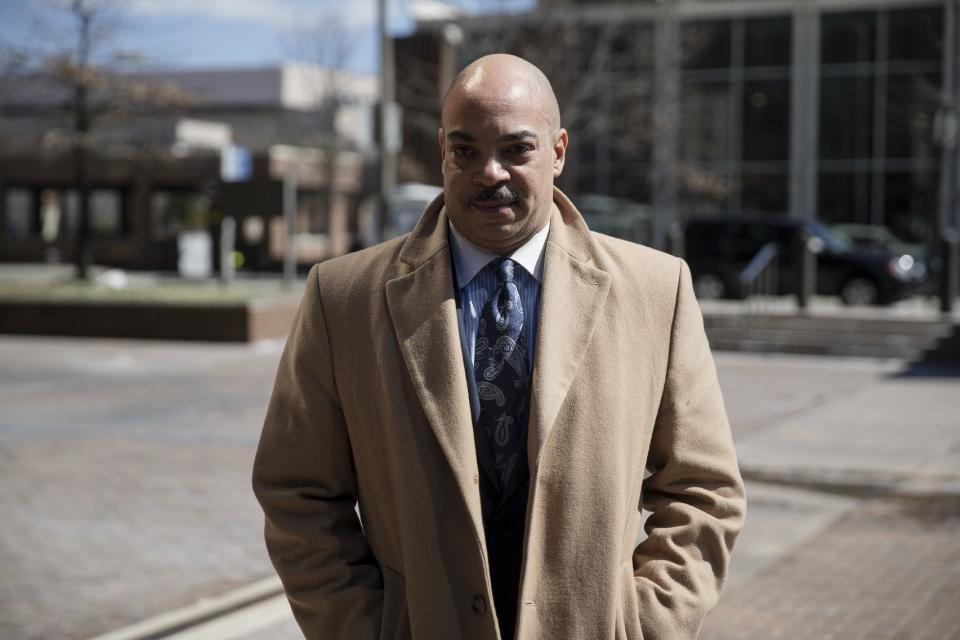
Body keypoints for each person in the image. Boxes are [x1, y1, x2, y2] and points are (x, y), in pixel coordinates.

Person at [253, 53, 746, 640]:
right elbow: (297, 492)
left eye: (517, 149)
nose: (490, 172)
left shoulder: (656, 290)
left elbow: (704, 489)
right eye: (466, 150)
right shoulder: (342, 299)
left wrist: (646, 625)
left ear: (558, 151)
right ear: (442, 152)